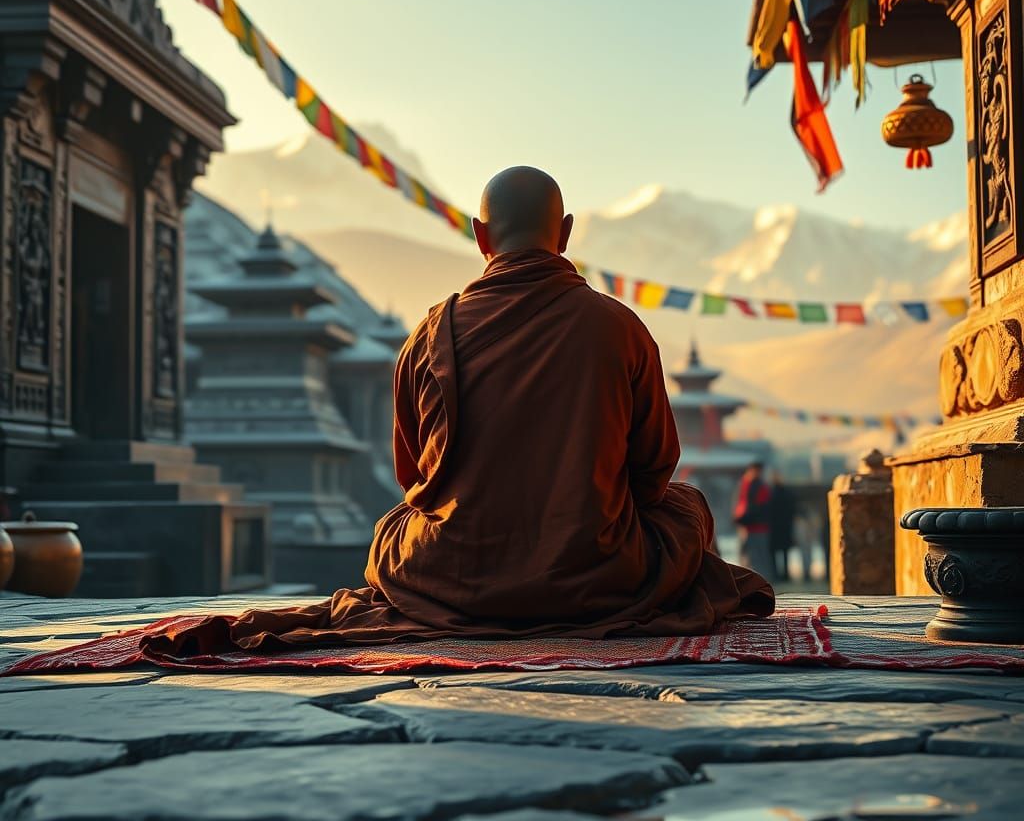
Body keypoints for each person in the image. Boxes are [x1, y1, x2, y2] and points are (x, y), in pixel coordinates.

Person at [145, 167, 773, 659]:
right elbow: (655, 468)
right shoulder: (620, 328)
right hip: (599, 573)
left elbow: (414, 475)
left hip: (450, 575)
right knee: (685, 507)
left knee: (394, 531)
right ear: (568, 231)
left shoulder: (428, 334)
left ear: (479, 236)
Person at [733, 462, 773, 580]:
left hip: (753, 527)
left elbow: (755, 507)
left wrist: (741, 518)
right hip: (751, 527)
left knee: (754, 557)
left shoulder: (753, 485)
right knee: (755, 557)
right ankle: (755, 581)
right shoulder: (752, 485)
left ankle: (757, 581)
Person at [768, 470, 795, 582]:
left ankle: (776, 574)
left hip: (774, 527)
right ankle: (786, 574)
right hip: (785, 527)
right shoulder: (787, 493)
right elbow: (792, 509)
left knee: (774, 552)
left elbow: (768, 510)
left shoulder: (770, 493)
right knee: (785, 552)